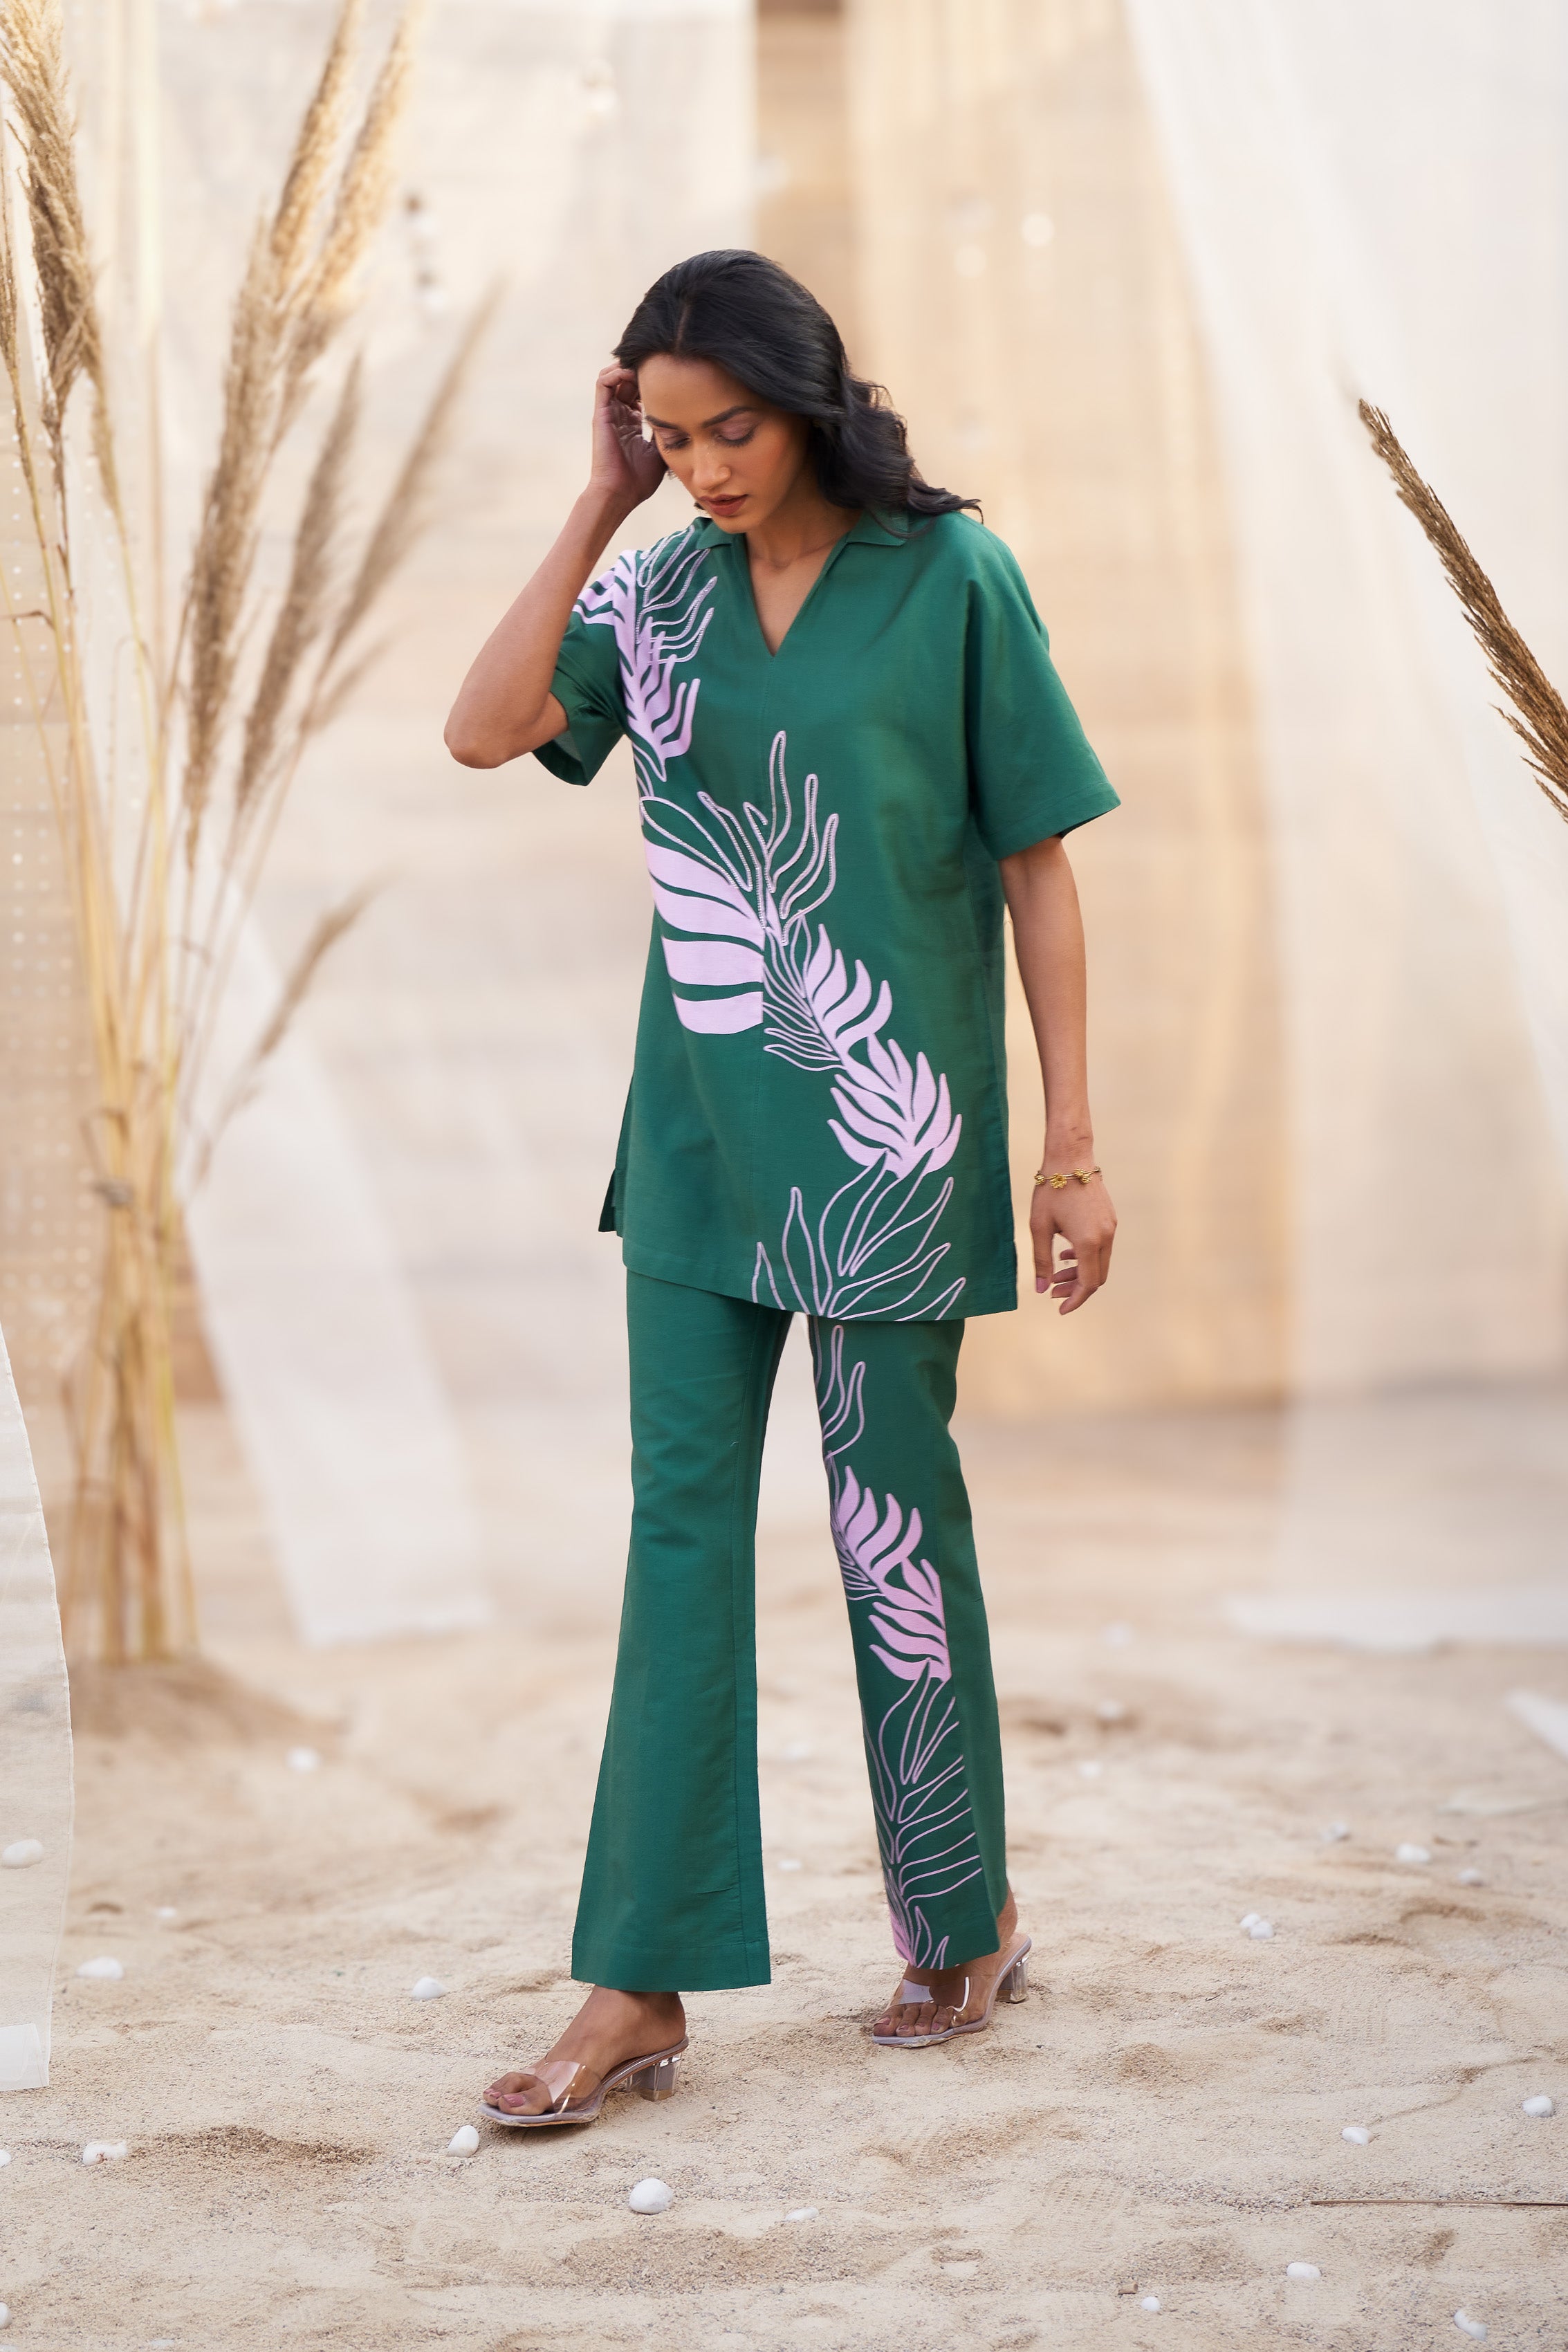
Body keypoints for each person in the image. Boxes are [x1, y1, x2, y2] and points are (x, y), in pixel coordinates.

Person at [445, 249, 1118, 2128]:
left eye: (727, 428)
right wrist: (598, 501)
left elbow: (1038, 867)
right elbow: (485, 728)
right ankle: (634, 1983)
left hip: (893, 1144)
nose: (705, 466)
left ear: (807, 400)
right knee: (678, 1535)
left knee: (891, 1529)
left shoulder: (953, 578)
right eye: (669, 436)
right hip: (694, 1145)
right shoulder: (655, 588)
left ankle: (961, 1916)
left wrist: (1070, 1145)